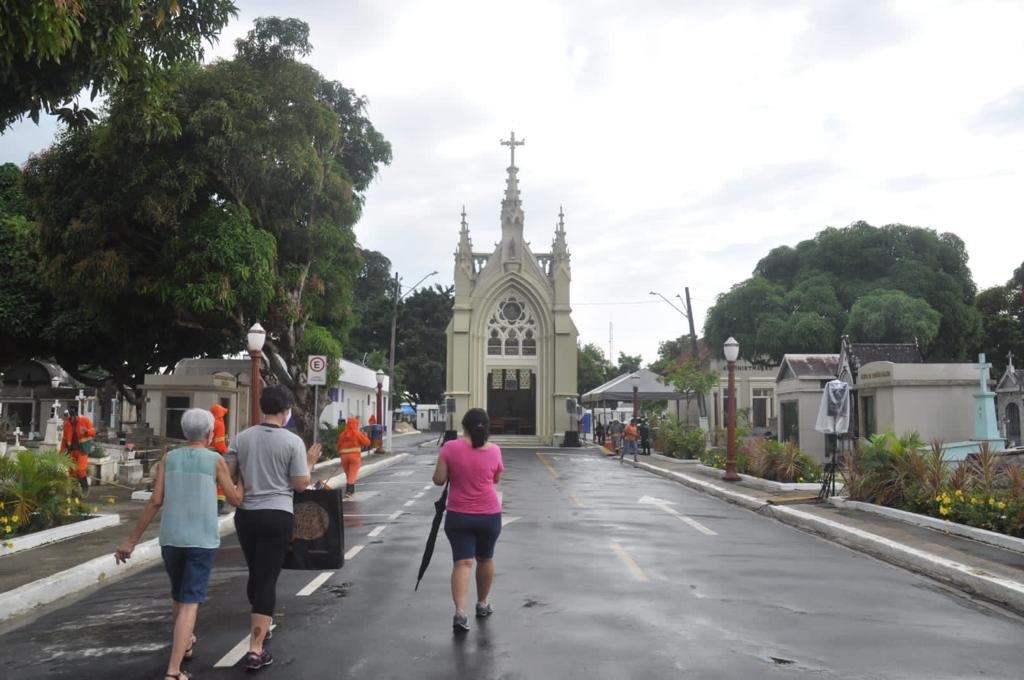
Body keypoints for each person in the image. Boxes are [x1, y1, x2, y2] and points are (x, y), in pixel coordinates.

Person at [115, 408, 243, 680]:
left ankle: (185, 643)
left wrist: (131, 540)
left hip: (171, 539)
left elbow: (155, 501)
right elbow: (235, 499)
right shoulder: (214, 460)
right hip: (201, 540)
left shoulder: (168, 458)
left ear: (184, 433)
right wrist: (244, 481)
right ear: (210, 434)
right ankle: (173, 671)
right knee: (190, 601)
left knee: (178, 594)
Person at [226, 385, 322, 672]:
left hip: (246, 516)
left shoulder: (241, 438)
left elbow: (228, 473)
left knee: (257, 573)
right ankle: (256, 649)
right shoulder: (291, 442)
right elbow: (300, 484)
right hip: (278, 514)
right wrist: (310, 462)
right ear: (285, 410)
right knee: (267, 578)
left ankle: (262, 624)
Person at [432, 408, 504, 633]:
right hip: (489, 515)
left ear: (463, 426)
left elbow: (438, 480)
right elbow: (496, 479)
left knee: (462, 563)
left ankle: (460, 614)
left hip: (459, 515)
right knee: (485, 558)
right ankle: (482, 604)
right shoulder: (494, 450)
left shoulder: (450, 448)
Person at [59, 407, 96, 494]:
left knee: (80, 470)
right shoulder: (67, 425)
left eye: (70, 418)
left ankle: (85, 489)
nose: (69, 420)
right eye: (67, 419)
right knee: (71, 471)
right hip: (71, 450)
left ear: (74, 415)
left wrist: (87, 431)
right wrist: (61, 454)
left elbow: (93, 431)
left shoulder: (85, 421)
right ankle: (74, 492)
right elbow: (64, 441)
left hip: (82, 450)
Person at [336, 416, 371, 498]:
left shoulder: (342, 434)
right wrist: (365, 436)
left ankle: (351, 489)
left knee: (348, 474)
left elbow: (338, 446)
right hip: (354, 457)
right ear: (356, 424)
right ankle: (349, 491)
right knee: (352, 474)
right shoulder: (357, 433)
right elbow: (367, 443)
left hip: (344, 457)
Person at [210, 404, 229, 511]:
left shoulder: (209, 423)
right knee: (221, 480)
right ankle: (219, 504)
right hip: (217, 454)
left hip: (206, 453)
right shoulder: (220, 425)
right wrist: (228, 452)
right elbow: (219, 444)